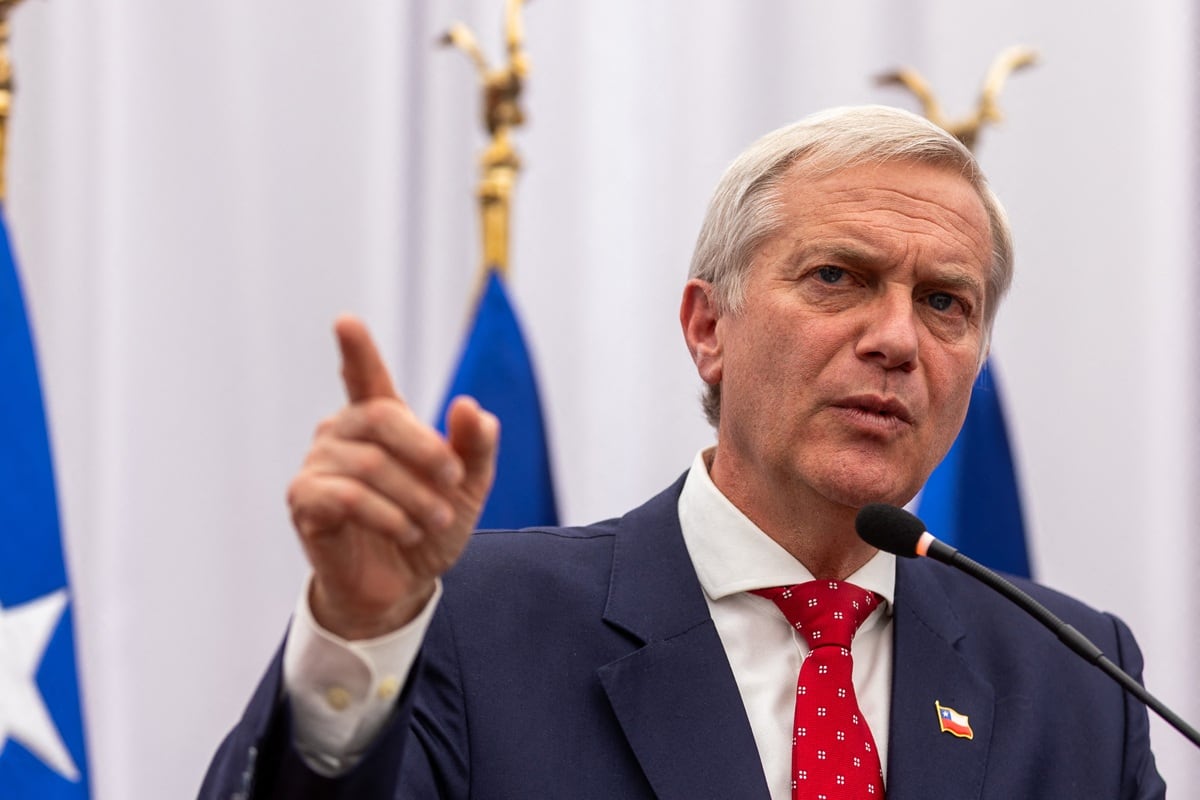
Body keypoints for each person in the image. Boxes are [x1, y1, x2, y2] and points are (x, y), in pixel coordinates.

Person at [201, 105, 1165, 799]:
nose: (897, 340)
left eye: (946, 303)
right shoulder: (474, 623)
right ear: (708, 327)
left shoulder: (1077, 682)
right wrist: (360, 633)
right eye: (839, 277)